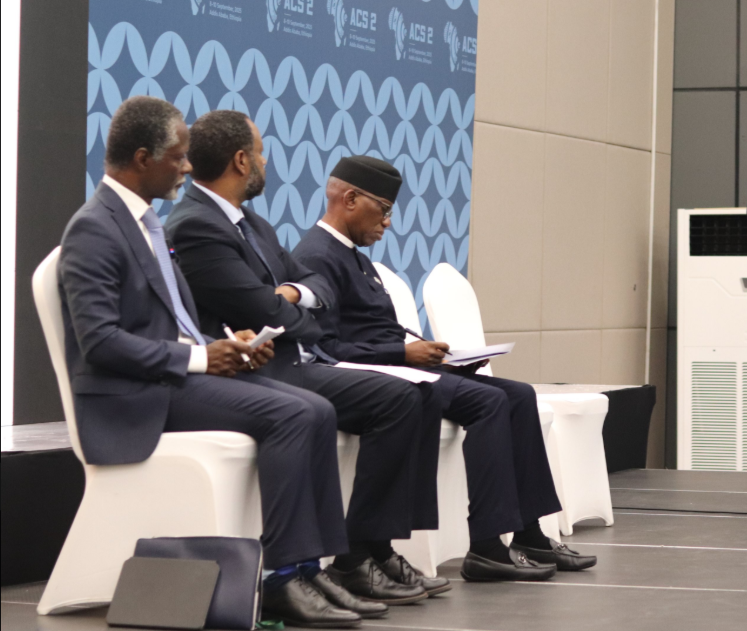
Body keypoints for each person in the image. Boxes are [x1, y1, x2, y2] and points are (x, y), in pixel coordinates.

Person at [59, 97, 366, 628]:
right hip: (133, 399)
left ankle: (311, 568)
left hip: (169, 379)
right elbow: (101, 343)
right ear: (142, 158)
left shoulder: (143, 222)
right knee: (293, 415)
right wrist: (200, 356)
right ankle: (282, 577)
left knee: (316, 409)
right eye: (178, 157)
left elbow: (169, 322)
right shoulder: (95, 228)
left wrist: (228, 343)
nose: (187, 167)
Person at [164, 111, 447, 605]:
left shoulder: (253, 223)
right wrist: (296, 306)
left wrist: (292, 295)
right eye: (261, 153)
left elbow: (313, 289)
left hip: (289, 360)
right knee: (392, 399)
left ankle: (370, 550)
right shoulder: (196, 225)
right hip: (260, 367)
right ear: (241, 160)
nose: (265, 161)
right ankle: (348, 558)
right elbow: (262, 309)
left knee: (411, 395)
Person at [292, 156, 593, 581]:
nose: (388, 222)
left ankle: (530, 534)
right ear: (351, 199)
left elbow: (376, 330)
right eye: (384, 209)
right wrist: (403, 354)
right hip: (379, 377)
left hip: (397, 366)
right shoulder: (317, 256)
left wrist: (445, 355)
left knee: (519, 395)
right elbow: (325, 350)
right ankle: (487, 546)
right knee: (489, 402)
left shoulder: (353, 256)